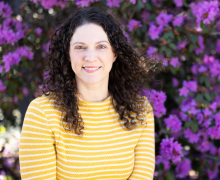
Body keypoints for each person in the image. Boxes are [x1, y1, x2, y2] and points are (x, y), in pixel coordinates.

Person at [19, 7, 158, 180]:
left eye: (101, 46)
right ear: (68, 54)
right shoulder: (42, 113)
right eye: (80, 47)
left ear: (114, 53)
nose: (90, 57)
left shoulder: (140, 109)